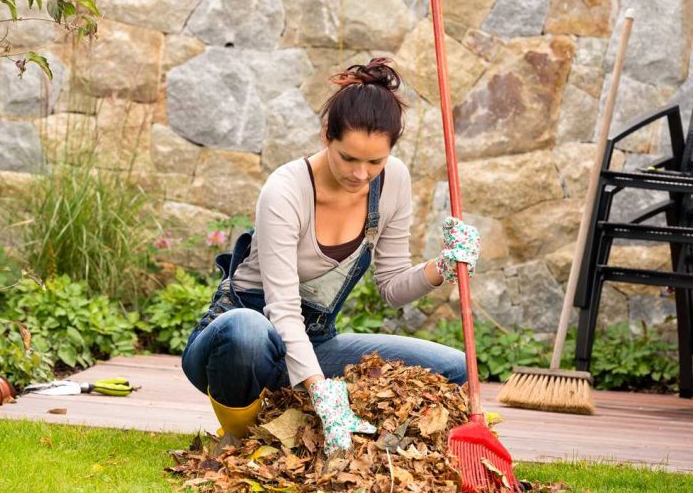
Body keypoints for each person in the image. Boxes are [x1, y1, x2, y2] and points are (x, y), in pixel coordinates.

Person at [181, 57, 479, 455]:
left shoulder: (394, 182)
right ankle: (242, 440)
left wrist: (441, 267)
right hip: (241, 347)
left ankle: (341, 435)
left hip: (313, 342)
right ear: (326, 136)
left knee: (455, 367)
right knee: (246, 331)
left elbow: (391, 287)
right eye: (349, 158)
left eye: (375, 161)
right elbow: (282, 310)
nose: (361, 174)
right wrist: (323, 392)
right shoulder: (285, 191)